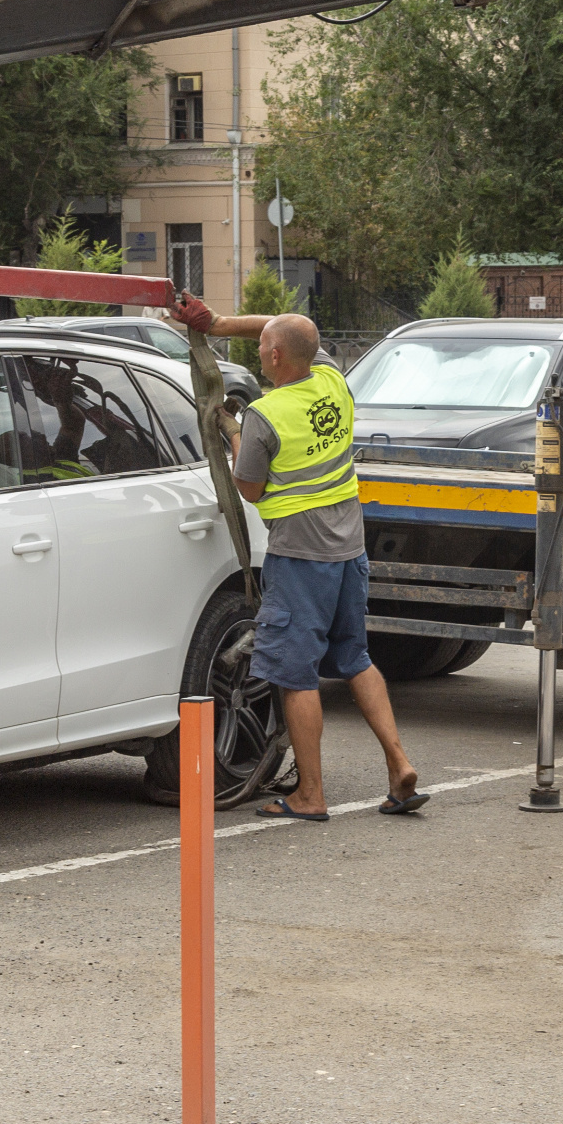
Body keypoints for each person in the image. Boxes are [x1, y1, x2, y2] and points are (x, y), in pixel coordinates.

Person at [167, 298, 427, 820]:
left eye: (263, 351)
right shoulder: (332, 378)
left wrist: (233, 431)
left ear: (279, 357)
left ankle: (310, 795)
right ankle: (398, 763)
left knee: (295, 674)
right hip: (349, 551)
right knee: (355, 658)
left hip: (300, 559)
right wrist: (217, 325)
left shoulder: (265, 416)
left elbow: (249, 487)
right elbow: (284, 328)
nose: (259, 354)